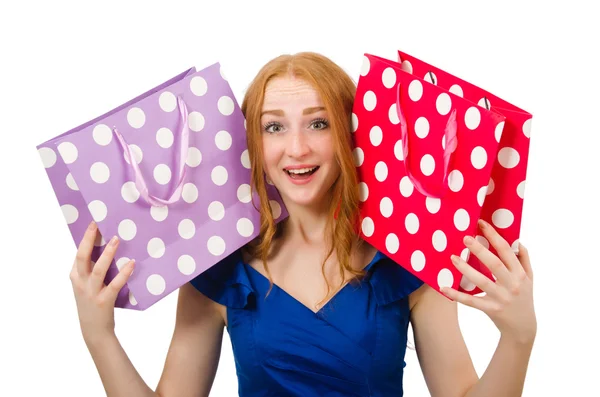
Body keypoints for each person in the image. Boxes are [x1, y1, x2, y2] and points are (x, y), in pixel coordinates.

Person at [69, 52, 537, 396]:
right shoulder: (217, 271)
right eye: (274, 127)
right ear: (252, 143)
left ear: (352, 133)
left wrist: (519, 335)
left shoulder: (407, 265)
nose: (296, 148)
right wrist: (99, 334)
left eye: (318, 123)